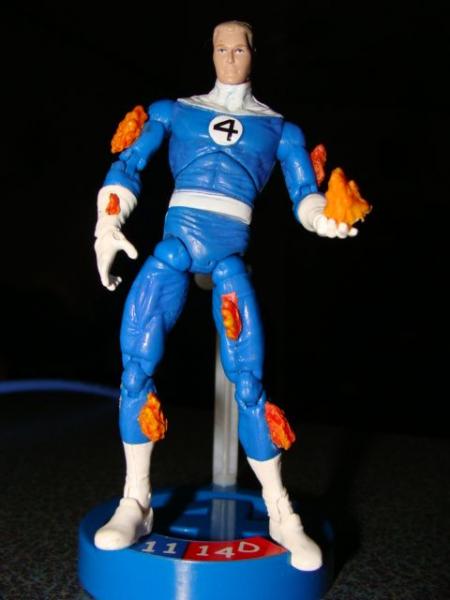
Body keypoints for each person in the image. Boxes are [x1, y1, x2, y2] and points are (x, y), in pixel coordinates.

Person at [93, 20, 357, 571]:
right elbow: (129, 164)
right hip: (173, 249)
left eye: (239, 48)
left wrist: (324, 220)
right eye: (221, 48)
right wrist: (108, 222)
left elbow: (304, 195)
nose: (231, 57)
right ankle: (135, 500)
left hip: (229, 258)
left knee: (250, 382)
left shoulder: (279, 129)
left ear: (253, 52)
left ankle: (280, 510)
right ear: (210, 52)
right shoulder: (175, 111)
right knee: (135, 365)